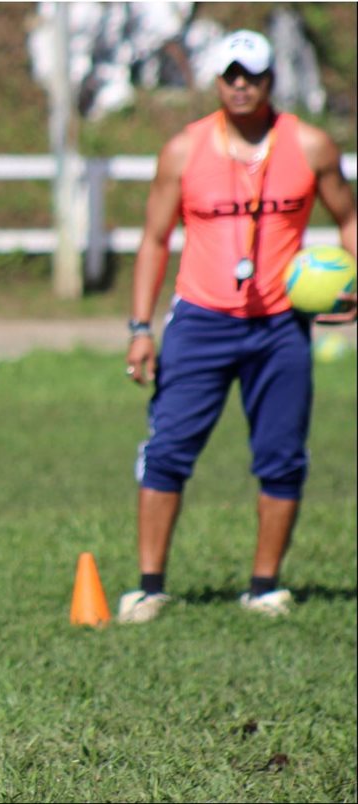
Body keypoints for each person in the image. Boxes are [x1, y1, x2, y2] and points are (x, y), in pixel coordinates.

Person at [118, 29, 357, 623]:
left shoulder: (310, 145)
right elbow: (153, 240)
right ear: (216, 81)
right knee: (168, 449)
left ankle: (264, 586)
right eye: (231, 75)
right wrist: (139, 326)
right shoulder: (183, 150)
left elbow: (348, 218)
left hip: (280, 327)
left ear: (272, 79)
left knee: (281, 456)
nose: (241, 85)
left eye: (252, 74)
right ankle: (149, 586)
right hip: (200, 321)